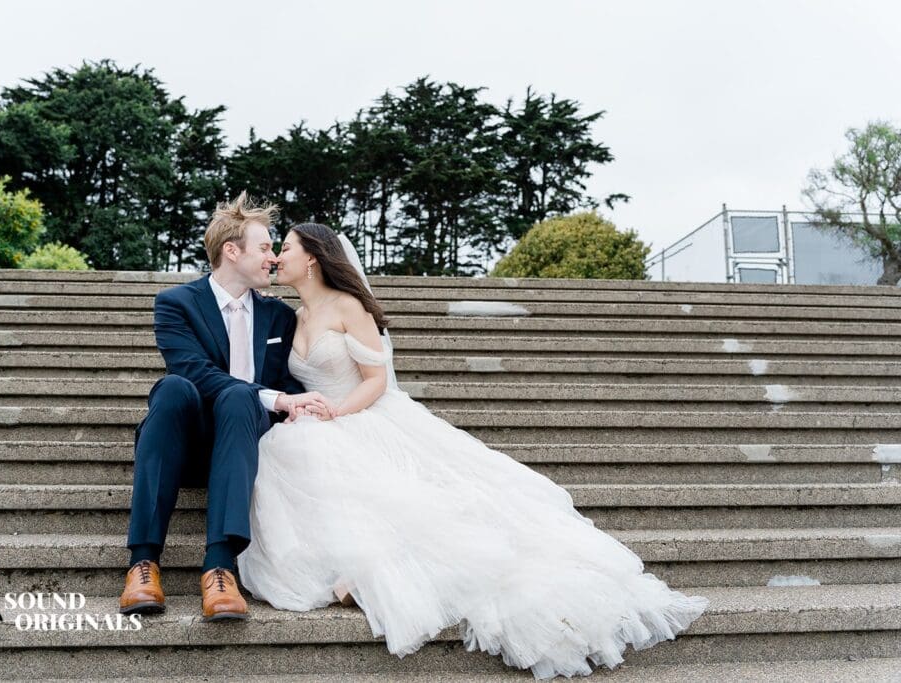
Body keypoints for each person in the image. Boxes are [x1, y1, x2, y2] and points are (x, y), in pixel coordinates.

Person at [237, 222, 709, 679]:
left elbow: (377, 382)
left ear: (314, 259)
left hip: (360, 414)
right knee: (288, 455)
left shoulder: (349, 308)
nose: (278, 256)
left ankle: (385, 570)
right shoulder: (293, 316)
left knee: (385, 486)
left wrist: (337, 414)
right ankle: (350, 567)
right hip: (315, 421)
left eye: (288, 247)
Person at [120, 193, 333, 621]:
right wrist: (275, 396)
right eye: (265, 247)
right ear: (231, 251)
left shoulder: (278, 316)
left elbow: (287, 379)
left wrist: (300, 401)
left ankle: (220, 567)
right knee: (174, 387)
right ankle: (143, 563)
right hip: (188, 441)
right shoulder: (176, 303)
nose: (273, 257)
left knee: (239, 396)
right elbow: (194, 369)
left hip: (243, 443)